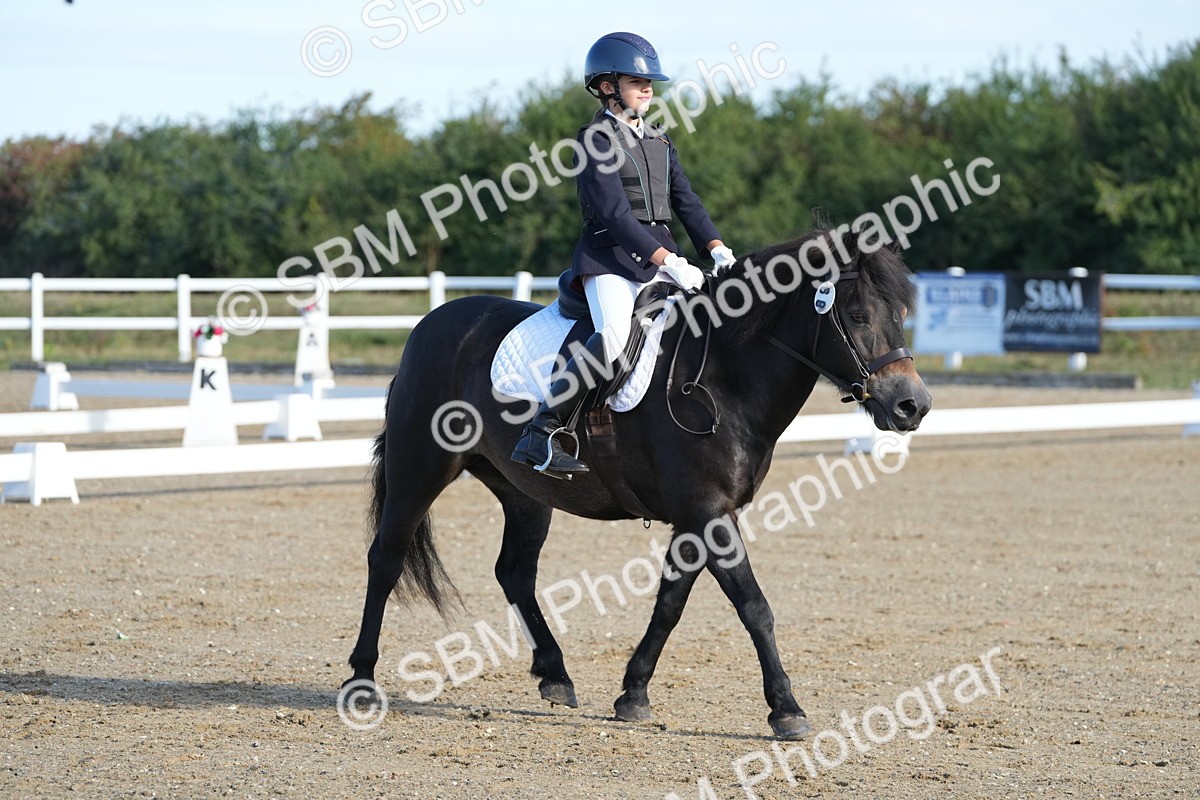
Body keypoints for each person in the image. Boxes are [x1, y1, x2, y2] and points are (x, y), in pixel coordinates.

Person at [511, 31, 737, 479]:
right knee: (615, 337)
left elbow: (686, 201)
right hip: (609, 261)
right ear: (608, 86)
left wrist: (717, 248)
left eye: (650, 82)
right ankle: (544, 430)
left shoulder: (660, 139)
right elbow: (615, 214)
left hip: (660, 258)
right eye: (637, 81)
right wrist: (668, 262)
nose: (648, 89)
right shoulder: (594, 140)